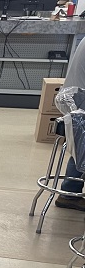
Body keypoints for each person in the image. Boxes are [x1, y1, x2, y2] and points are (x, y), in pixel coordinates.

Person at [56, 39, 85, 211]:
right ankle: (69, 192)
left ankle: (70, 190)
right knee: (83, 142)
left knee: (81, 143)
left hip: (75, 101)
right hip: (80, 103)